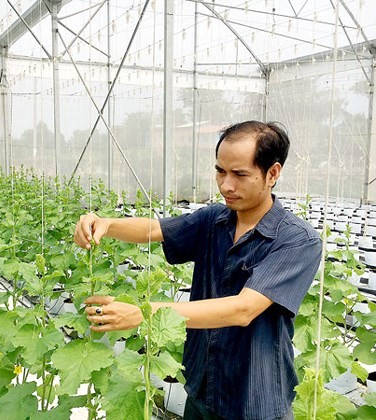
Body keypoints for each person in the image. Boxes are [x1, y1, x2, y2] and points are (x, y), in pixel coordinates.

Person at [74, 120, 322, 420]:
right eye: (220, 171)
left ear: (272, 173)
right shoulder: (215, 219)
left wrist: (144, 312)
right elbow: (155, 229)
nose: (226, 185)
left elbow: (243, 309)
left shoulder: (297, 240)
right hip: (202, 388)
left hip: (254, 399)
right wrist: (107, 223)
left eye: (240, 174)